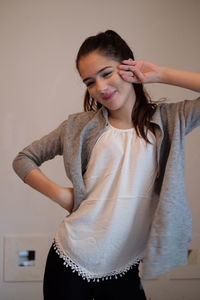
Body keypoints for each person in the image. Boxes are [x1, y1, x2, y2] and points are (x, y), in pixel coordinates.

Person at [12, 30, 200, 300]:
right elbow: (23, 159)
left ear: (130, 67)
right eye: (89, 82)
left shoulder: (171, 121)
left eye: (107, 73)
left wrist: (160, 74)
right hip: (70, 258)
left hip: (125, 266)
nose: (100, 87)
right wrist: (62, 195)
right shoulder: (78, 127)